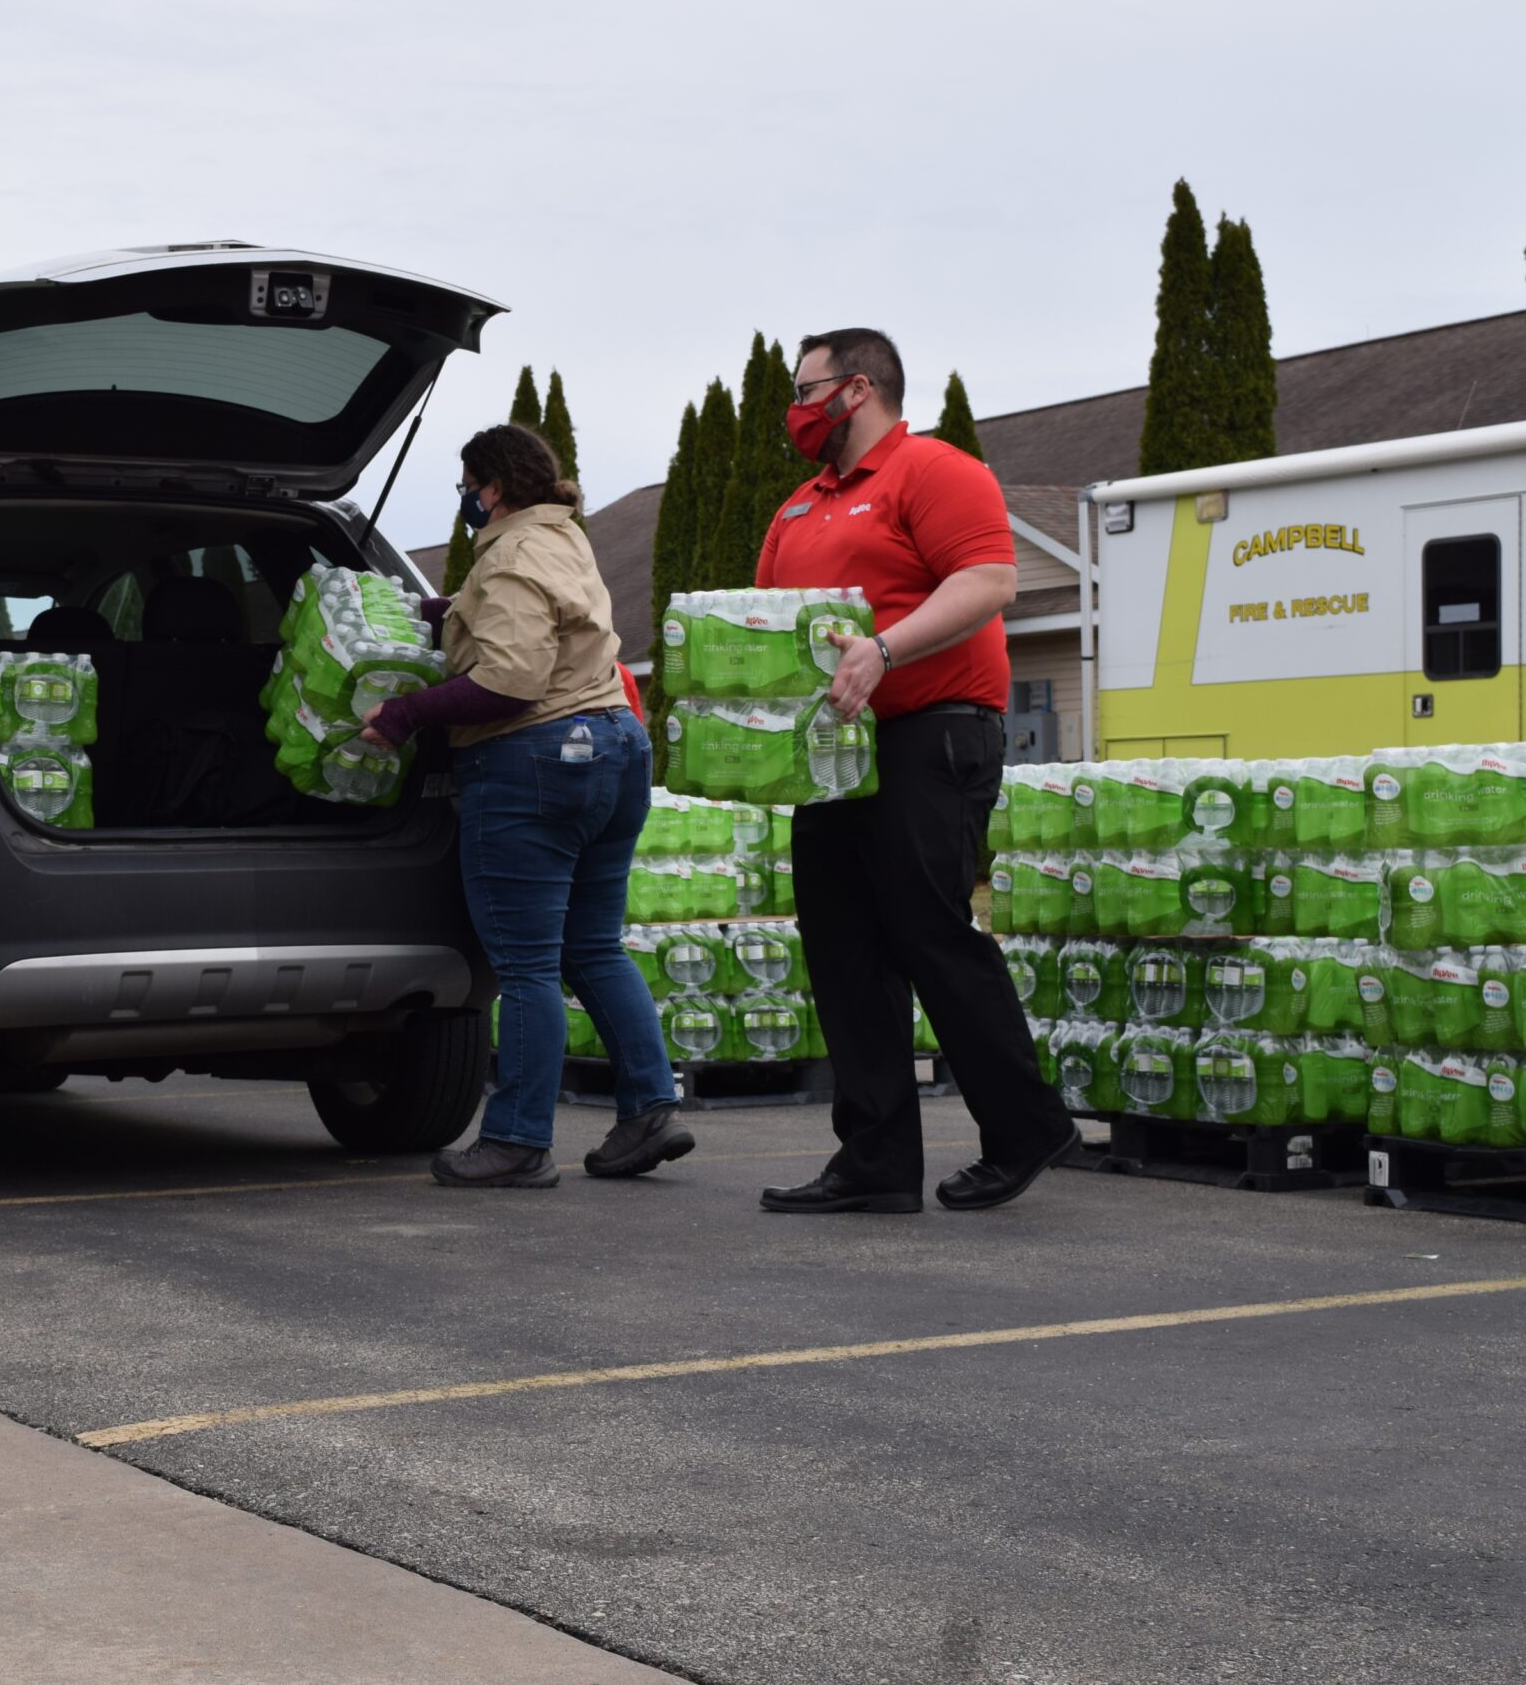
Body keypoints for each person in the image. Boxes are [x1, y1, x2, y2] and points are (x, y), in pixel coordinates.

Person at [751, 329, 1077, 1215]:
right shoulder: (796, 510)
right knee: (844, 947)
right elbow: (773, 634)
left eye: (805, 386)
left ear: (856, 389)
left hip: (932, 731)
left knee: (927, 929)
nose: (794, 404)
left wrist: (884, 651)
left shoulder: (933, 471)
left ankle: (1025, 1126)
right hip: (835, 755)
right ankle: (876, 1157)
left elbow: (991, 580)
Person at [364, 424, 692, 1188]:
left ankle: (517, 1140)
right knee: (594, 947)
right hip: (616, 744)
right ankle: (650, 1108)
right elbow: (539, 620)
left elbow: (510, 678)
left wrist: (407, 715)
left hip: (535, 761)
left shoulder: (508, 554)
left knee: (527, 963)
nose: (466, 501)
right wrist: (446, 610)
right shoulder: (561, 537)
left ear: (493, 487)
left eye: (469, 486)